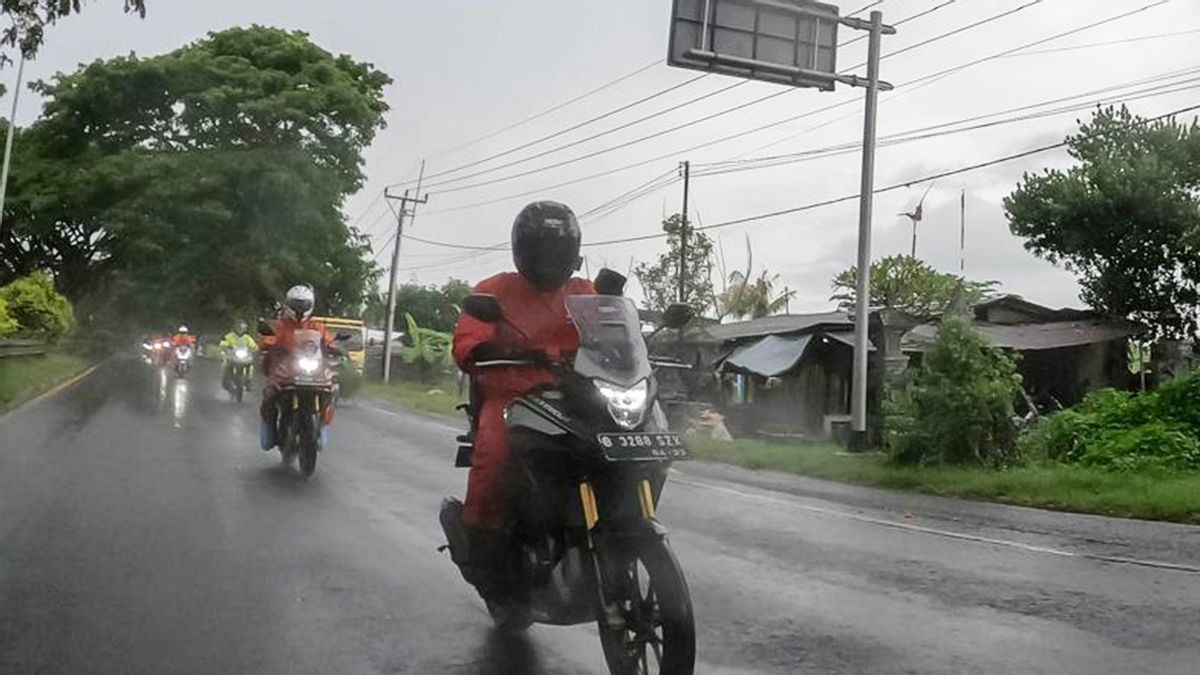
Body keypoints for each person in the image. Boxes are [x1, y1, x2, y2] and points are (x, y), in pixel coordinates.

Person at [448, 200, 595, 594]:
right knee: (495, 455)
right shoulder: (494, 291)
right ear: (522, 253)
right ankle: (482, 540)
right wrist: (486, 352)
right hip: (512, 397)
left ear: (573, 254)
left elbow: (611, 331)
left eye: (557, 253)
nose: (549, 262)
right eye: (541, 253)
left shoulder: (585, 292)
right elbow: (467, 342)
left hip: (576, 395)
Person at [258, 285, 337, 450]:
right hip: (285, 368)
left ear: (311, 305)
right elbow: (268, 338)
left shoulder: (316, 326)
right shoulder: (280, 325)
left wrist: (335, 347)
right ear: (288, 304)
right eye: (297, 304)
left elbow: (328, 340)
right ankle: (269, 429)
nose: (300, 309)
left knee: (330, 391)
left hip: (312, 370)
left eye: (304, 304)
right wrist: (268, 343)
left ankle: (322, 427)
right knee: (270, 394)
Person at [218, 320, 259, 391]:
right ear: (235, 328)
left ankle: (248, 381)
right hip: (232, 356)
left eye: (243, 328)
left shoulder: (247, 338)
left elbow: (254, 345)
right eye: (239, 328)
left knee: (251, 367)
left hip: (244, 357)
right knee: (224, 364)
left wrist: (254, 348)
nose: (241, 330)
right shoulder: (230, 336)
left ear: (245, 329)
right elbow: (223, 342)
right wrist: (227, 345)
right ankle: (225, 380)